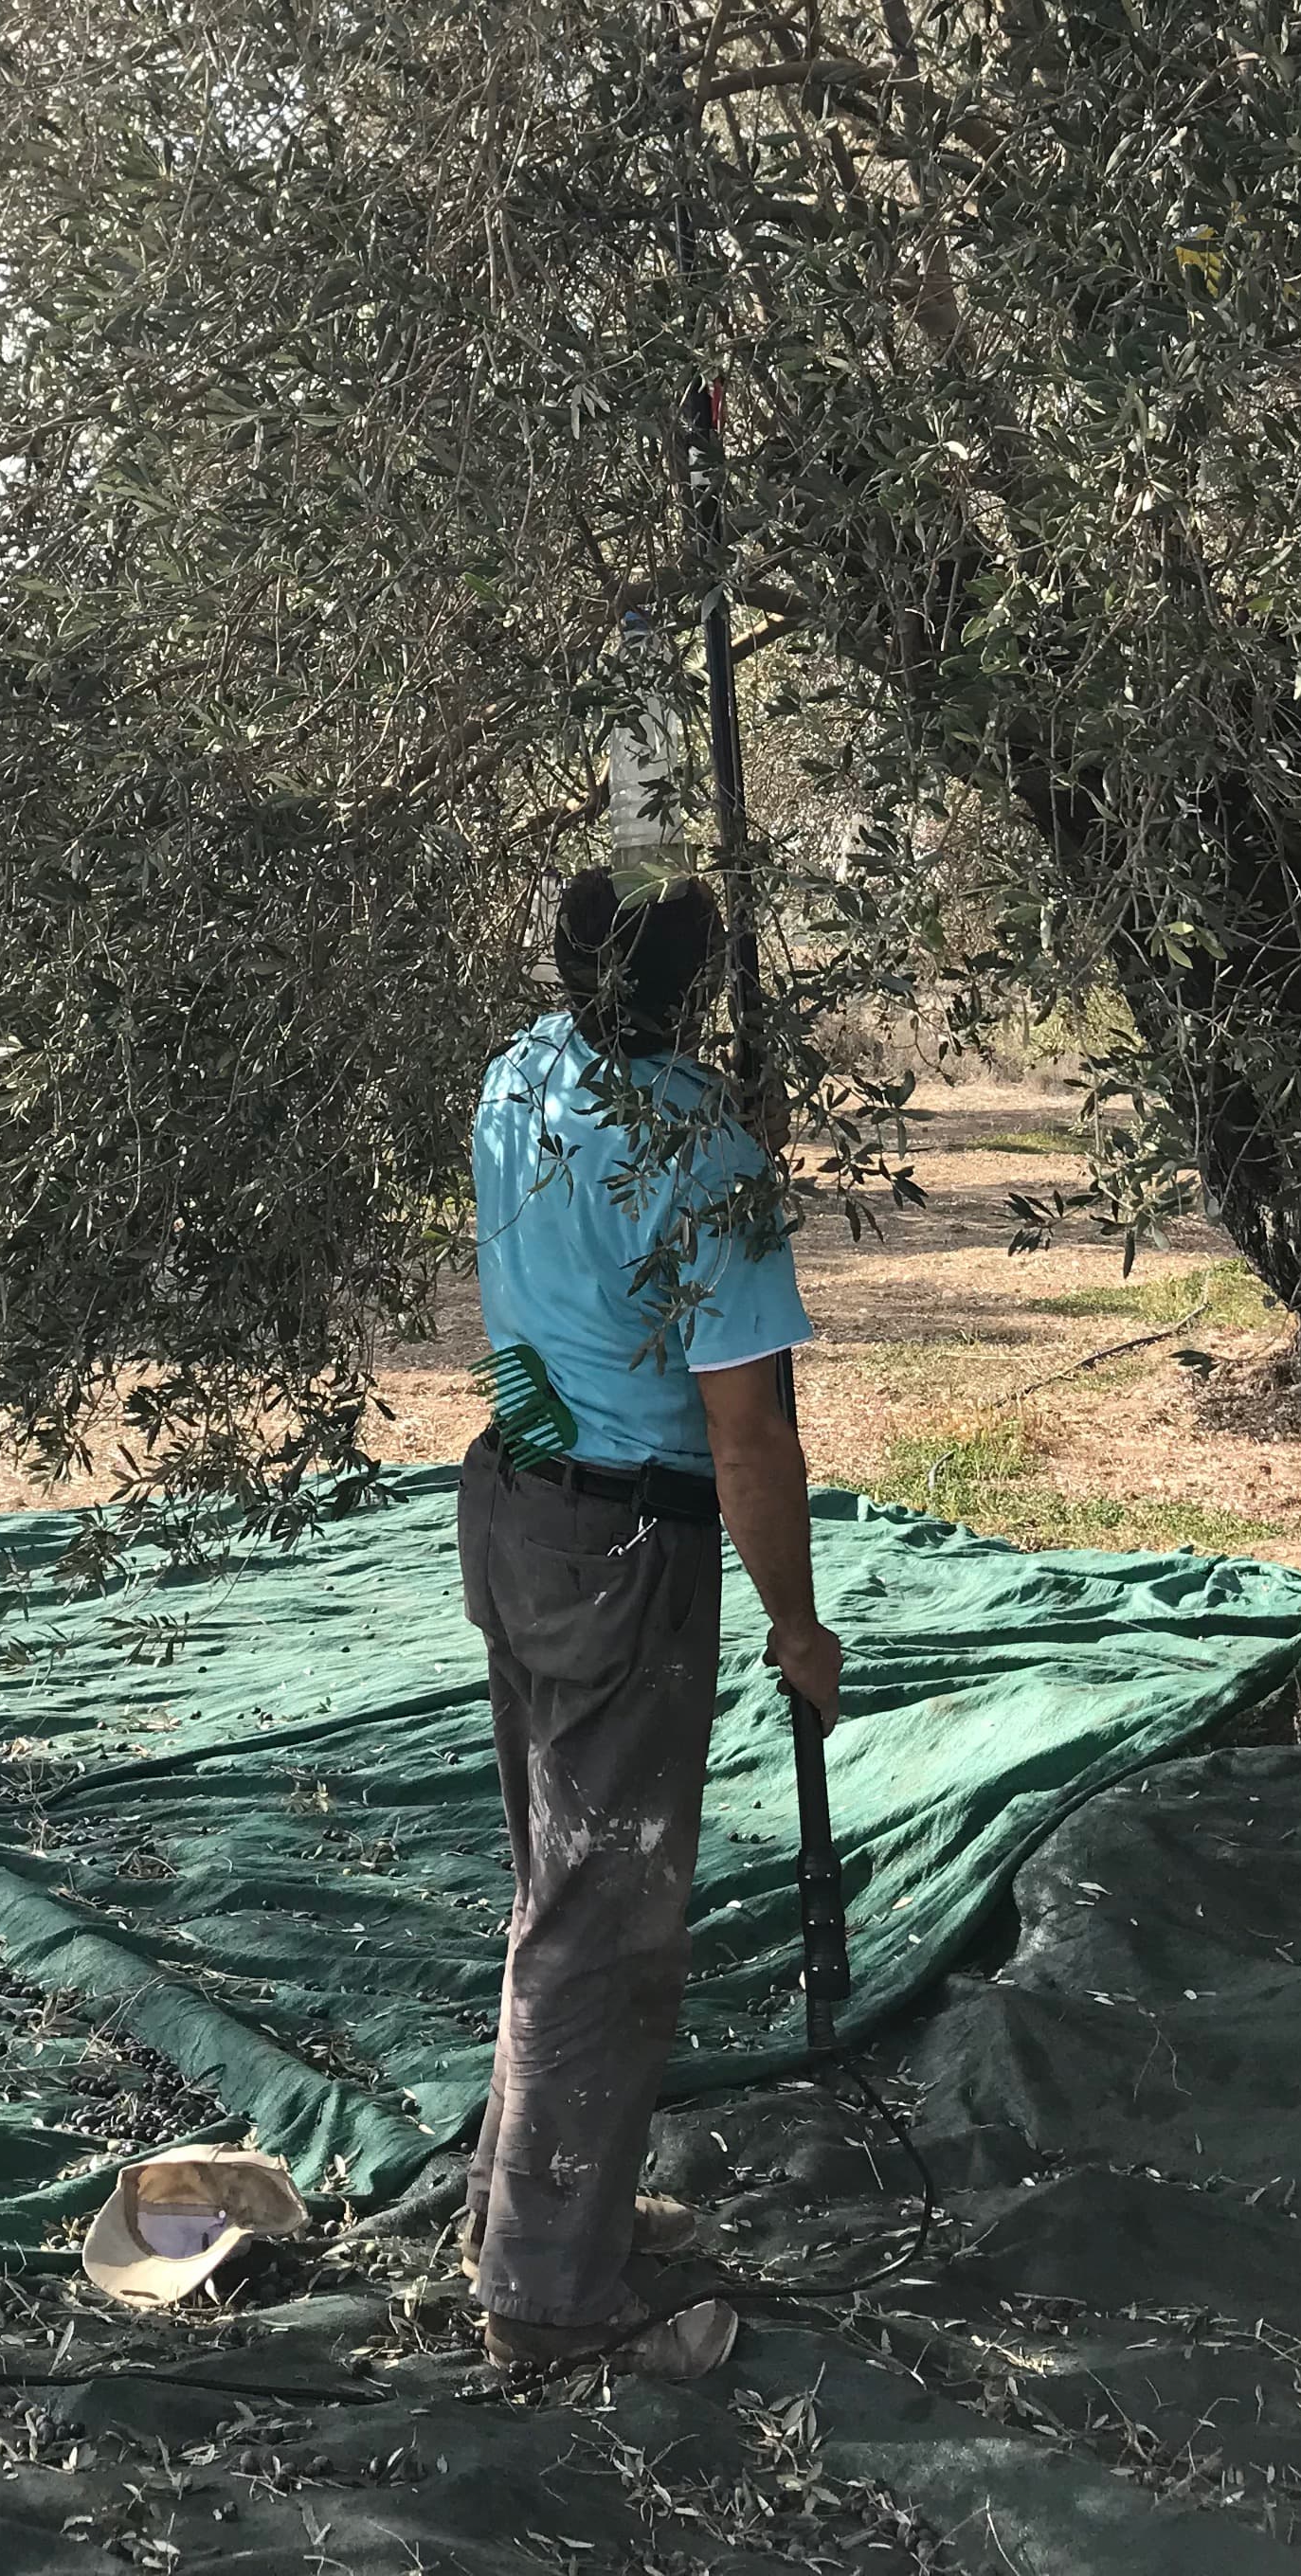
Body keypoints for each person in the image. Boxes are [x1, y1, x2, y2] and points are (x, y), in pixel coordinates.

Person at [456, 867, 840, 2381]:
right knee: (605, 1916)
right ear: (693, 988)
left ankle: (536, 2202)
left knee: (554, 1877)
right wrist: (796, 1625)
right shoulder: (703, 1154)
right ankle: (548, 2299)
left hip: (516, 1504)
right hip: (630, 1541)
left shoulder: (516, 1076)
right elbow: (749, 1439)